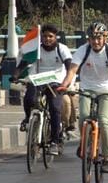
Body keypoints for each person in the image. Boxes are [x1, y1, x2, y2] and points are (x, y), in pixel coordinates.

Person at [59, 22, 108, 173]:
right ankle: (84, 143)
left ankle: (107, 157)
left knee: (103, 120)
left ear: (105, 38)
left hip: (107, 90)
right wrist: (64, 85)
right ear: (88, 39)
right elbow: (72, 71)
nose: (96, 42)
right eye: (92, 38)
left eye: (99, 38)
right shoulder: (83, 50)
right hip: (87, 89)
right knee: (83, 117)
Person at [12, 24, 72, 156]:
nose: (47, 39)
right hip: (38, 79)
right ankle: (28, 119)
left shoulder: (62, 49)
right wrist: (15, 75)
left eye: (50, 36)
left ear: (56, 37)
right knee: (29, 99)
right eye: (44, 36)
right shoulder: (36, 49)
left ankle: (55, 142)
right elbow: (23, 64)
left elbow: (69, 67)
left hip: (55, 81)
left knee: (55, 108)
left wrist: (67, 83)